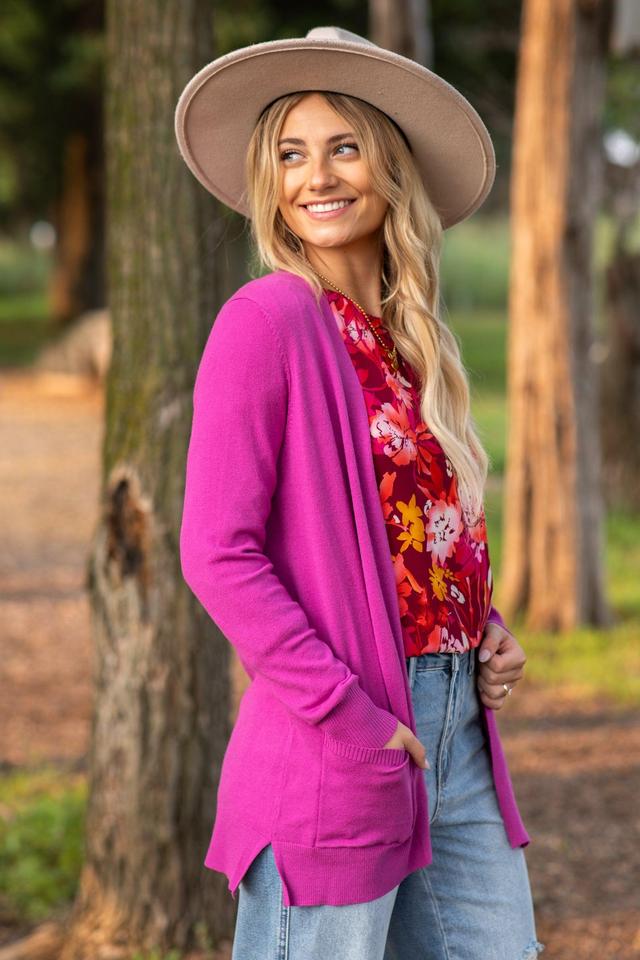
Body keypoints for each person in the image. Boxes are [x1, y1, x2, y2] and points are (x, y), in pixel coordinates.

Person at [175, 25, 545, 960]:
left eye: (344, 146)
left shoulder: (408, 344)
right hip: (341, 739)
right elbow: (217, 551)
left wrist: (482, 626)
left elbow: (412, 540)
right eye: (291, 154)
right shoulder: (266, 321)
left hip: (458, 735)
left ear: (390, 167)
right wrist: (353, 719)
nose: (316, 175)